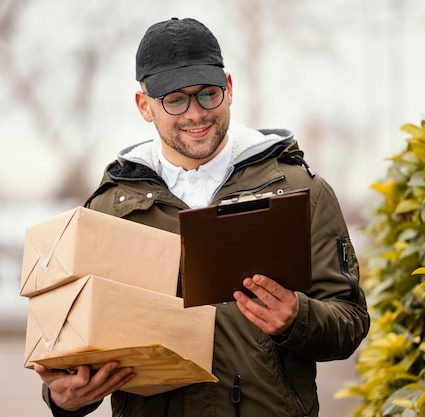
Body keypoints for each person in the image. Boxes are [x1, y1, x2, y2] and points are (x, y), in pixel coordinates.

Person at [34, 17, 370, 417]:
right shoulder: (107, 211)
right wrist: (63, 401)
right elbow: (75, 347)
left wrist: (296, 318)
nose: (195, 113)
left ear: (229, 89)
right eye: (175, 100)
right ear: (144, 106)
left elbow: (349, 322)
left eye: (208, 94)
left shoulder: (302, 191)